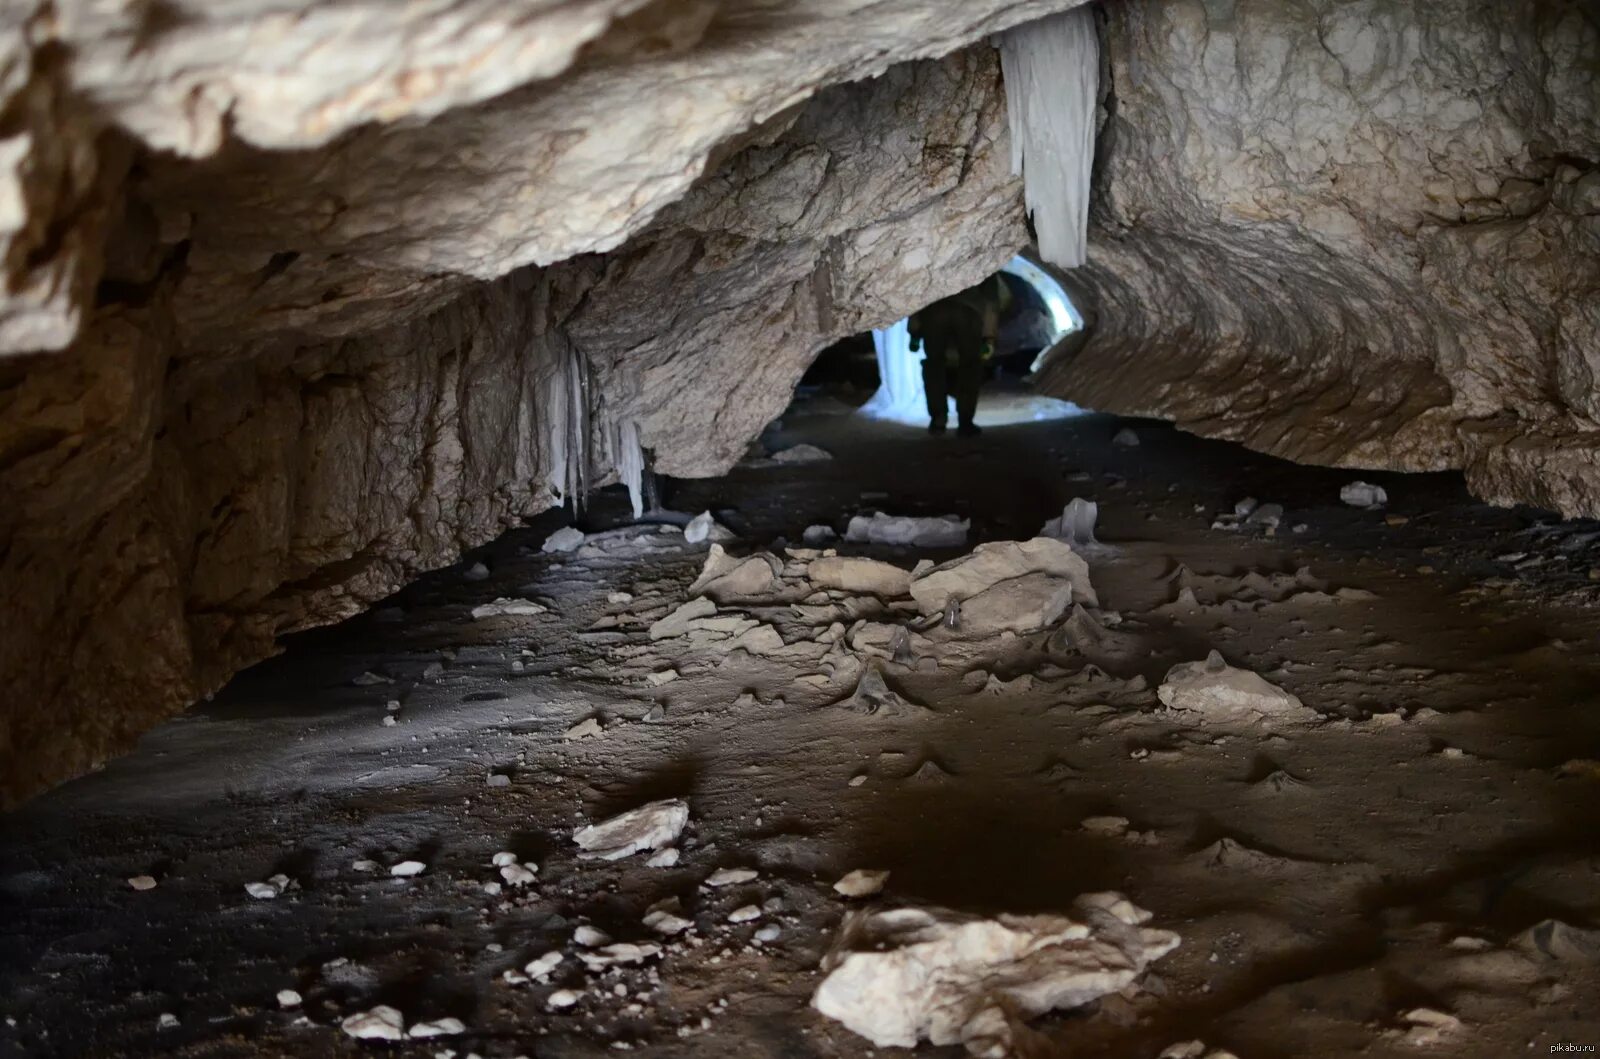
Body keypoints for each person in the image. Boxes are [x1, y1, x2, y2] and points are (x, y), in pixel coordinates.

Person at [907, 274, 1011, 436]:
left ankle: (938, 419)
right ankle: (965, 421)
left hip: (934, 310)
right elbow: (991, 301)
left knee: (934, 364)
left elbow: (917, 289)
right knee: (970, 365)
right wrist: (989, 337)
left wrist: (914, 330)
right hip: (968, 311)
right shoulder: (983, 260)